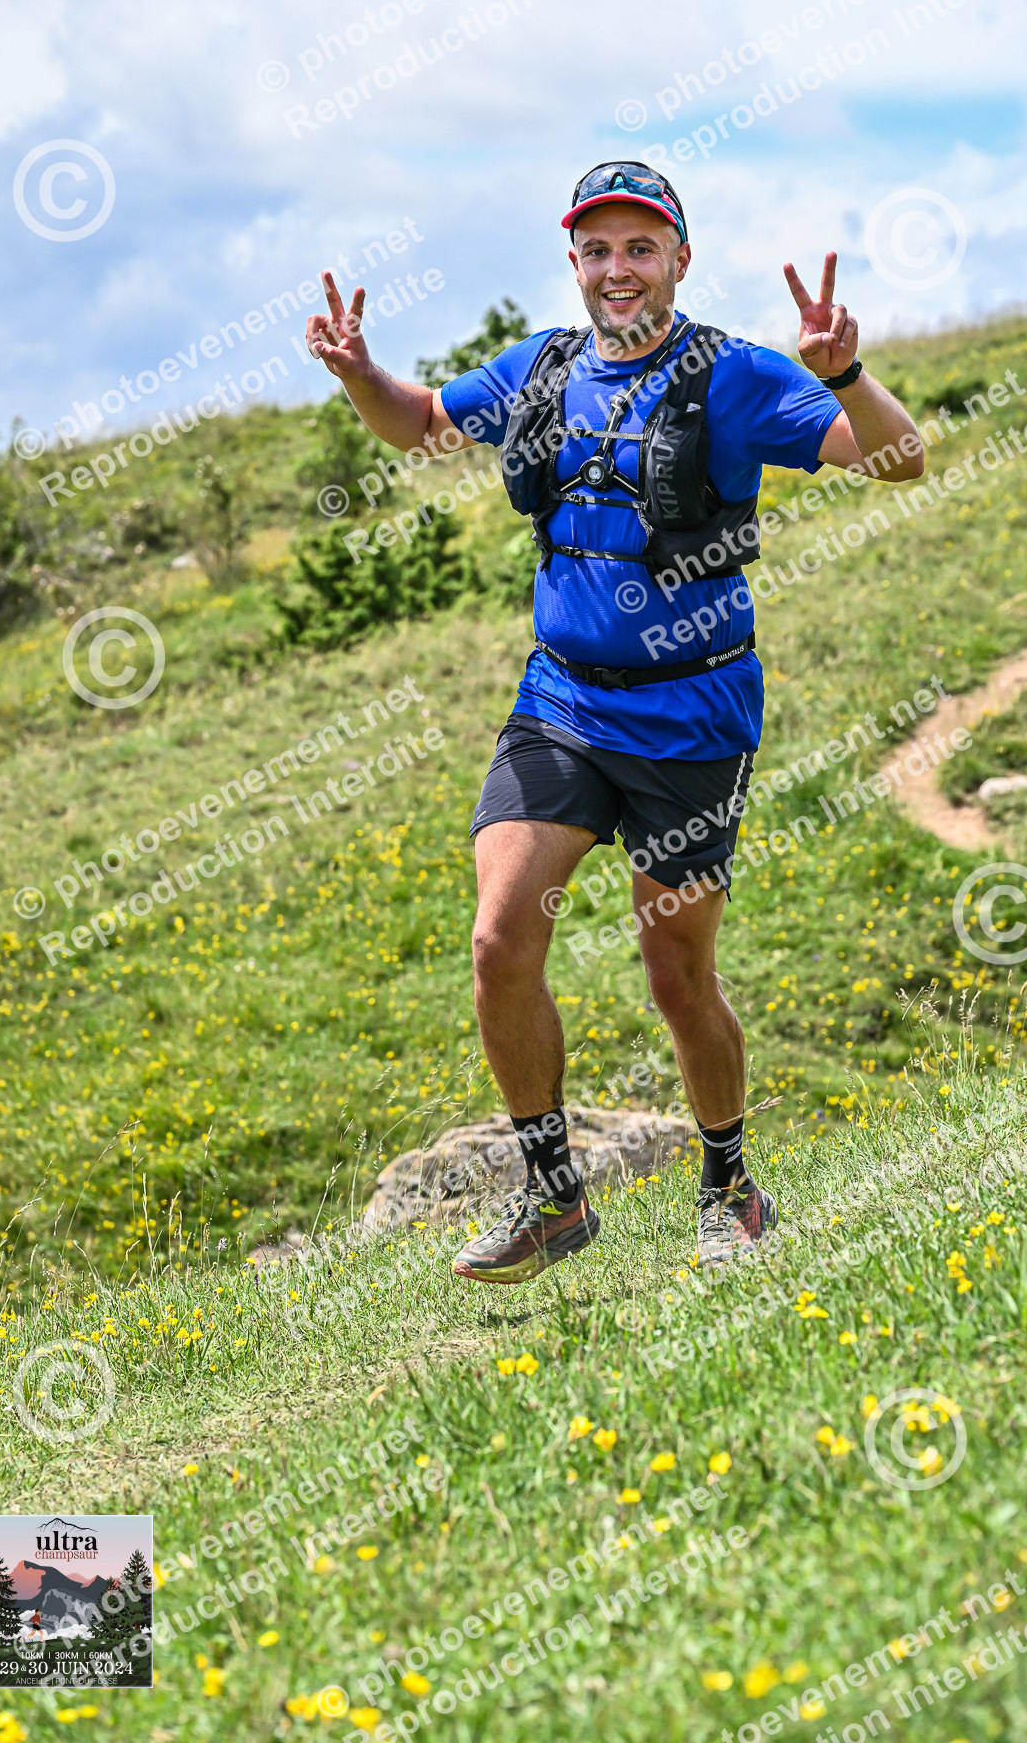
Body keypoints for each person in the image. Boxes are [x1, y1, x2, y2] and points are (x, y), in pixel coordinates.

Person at [306, 161, 923, 1281]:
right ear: (575, 262)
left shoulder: (732, 374)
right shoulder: (540, 369)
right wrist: (360, 375)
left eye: (640, 247)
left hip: (692, 718)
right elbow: (420, 425)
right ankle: (553, 1197)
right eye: (597, 249)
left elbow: (897, 458)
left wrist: (845, 375)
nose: (617, 269)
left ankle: (728, 1186)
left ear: (679, 259)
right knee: (499, 940)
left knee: (675, 975)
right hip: (561, 706)